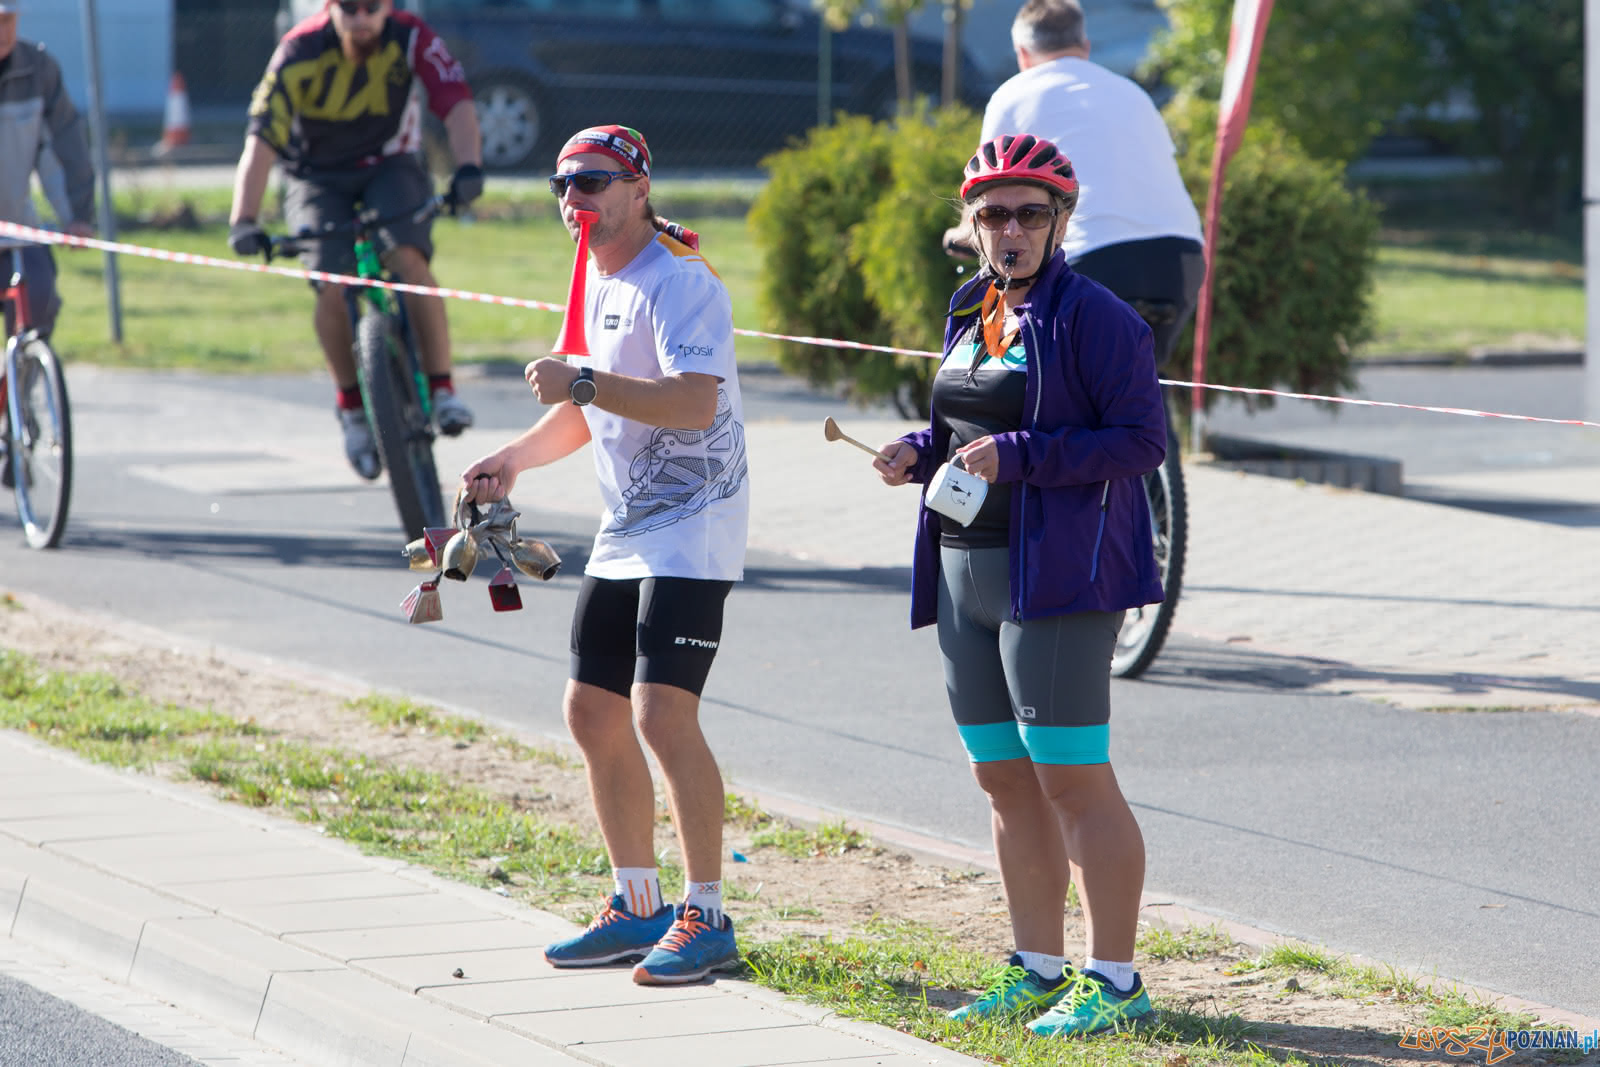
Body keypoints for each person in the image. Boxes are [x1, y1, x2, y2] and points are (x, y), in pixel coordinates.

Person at [875, 133, 1164, 1036]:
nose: (1010, 229)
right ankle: (1037, 965)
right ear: (972, 223)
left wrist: (1022, 456)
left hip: (1060, 578)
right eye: (993, 213)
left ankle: (1114, 980)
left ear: (1060, 221)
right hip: (965, 567)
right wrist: (919, 449)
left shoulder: (1099, 318)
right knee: (1002, 778)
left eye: (1029, 213)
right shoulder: (974, 307)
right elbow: (968, 421)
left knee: (1072, 779)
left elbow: (1140, 442)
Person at [462, 125, 749, 986]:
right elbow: (583, 410)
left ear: (638, 189)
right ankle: (636, 901)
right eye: (562, 185)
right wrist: (511, 457)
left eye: (591, 183)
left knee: (661, 712)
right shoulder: (595, 275)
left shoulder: (680, 280)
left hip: (695, 520)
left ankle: (708, 912)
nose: (573, 199)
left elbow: (694, 404)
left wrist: (582, 380)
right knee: (590, 710)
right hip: (628, 524)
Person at [227, 0, 484, 481]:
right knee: (329, 280)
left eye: (373, 6)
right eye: (350, 6)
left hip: (391, 164)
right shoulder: (297, 50)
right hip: (315, 177)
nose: (361, 17)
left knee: (409, 258)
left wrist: (468, 168)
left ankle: (444, 388)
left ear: (390, 7)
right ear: (330, 7)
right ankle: (350, 408)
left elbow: (457, 101)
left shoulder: (413, 38)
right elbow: (261, 139)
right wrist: (243, 219)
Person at [944, 0, 1204, 373]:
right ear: (1085, 46)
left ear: (1022, 53)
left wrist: (961, 233)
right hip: (1179, 258)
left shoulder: (1013, 94)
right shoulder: (1133, 93)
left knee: (1061, 388)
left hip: (1095, 253)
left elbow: (989, 185)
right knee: (1140, 386)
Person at [0, 0, 94, 486]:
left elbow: (65, 146)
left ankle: (17, 408)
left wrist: (77, 216)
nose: (4, 30)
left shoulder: (39, 70)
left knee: (39, 300)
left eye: (10, 20)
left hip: (17, 229)